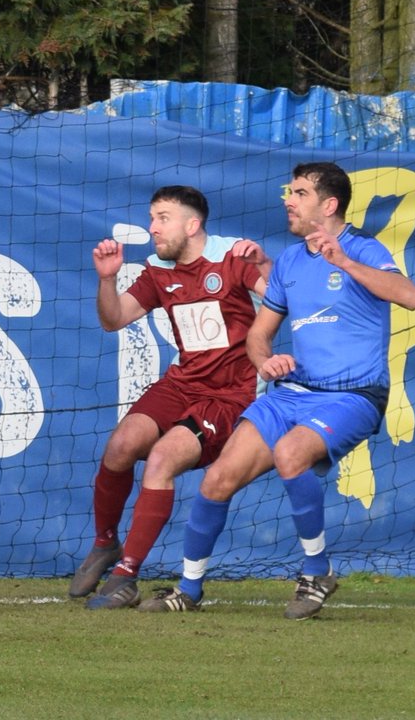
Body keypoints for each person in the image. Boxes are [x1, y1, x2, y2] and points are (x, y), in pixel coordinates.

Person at [140, 162, 415, 619]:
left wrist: (345, 263)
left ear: (329, 205)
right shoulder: (289, 260)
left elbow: (410, 296)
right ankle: (188, 589)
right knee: (216, 479)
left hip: (353, 394)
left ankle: (317, 571)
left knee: (291, 454)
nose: (289, 201)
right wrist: (264, 361)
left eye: (300, 193)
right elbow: (258, 335)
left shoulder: (363, 248)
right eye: (289, 192)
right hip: (292, 393)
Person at [70, 186, 270, 609]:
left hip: (230, 396)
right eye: (151, 218)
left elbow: (278, 296)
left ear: (192, 225)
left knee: (162, 459)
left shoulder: (232, 256)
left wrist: (263, 264)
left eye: (162, 218)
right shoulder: (158, 269)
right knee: (121, 445)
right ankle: (105, 542)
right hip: (181, 383)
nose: (152, 228)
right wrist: (107, 279)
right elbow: (113, 319)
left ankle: (126, 576)